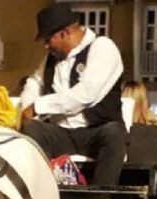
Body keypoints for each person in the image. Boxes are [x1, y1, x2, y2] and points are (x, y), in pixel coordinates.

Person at [20, 3, 127, 186]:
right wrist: (23, 110)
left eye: (48, 39)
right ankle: (42, 192)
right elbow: (34, 83)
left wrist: (37, 106)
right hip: (62, 134)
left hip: (95, 132)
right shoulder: (51, 60)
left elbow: (85, 95)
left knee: (114, 133)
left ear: (65, 33)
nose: (46, 46)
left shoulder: (103, 48)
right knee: (32, 129)